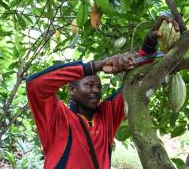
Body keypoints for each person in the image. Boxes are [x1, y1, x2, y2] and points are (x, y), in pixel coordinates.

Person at [26, 16, 179, 169]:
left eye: (99, 86)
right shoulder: (56, 117)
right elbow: (35, 85)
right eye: (90, 85)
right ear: (72, 89)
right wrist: (96, 66)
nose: (96, 91)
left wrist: (149, 44)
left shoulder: (107, 115)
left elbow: (136, 86)